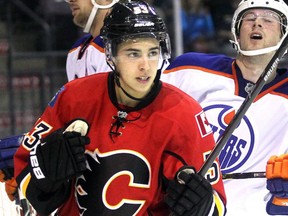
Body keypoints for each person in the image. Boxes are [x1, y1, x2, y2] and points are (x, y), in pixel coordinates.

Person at [13, 1, 226, 215]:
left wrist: (204, 207)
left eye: (152, 52)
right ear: (111, 54)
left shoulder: (185, 114)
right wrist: (44, 175)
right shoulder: (74, 97)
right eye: (133, 54)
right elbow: (26, 180)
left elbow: (217, 203)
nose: (145, 65)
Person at [161, 0, 288, 215]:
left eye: (268, 19)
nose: (257, 23)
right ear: (236, 33)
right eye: (249, 19)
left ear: (284, 36)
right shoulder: (190, 69)